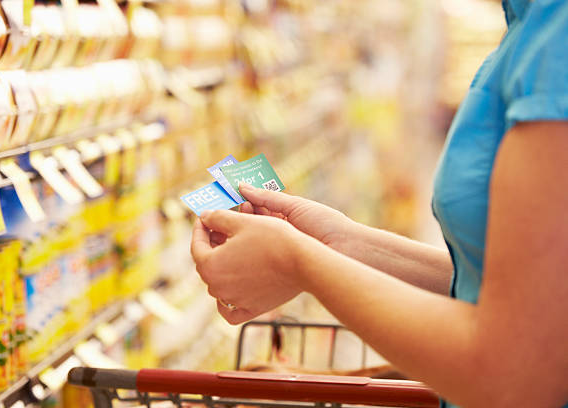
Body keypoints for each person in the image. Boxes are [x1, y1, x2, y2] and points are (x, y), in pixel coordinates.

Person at [190, 0, 568, 406]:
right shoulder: (529, 24)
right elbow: (521, 289)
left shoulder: (555, 35)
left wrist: (299, 262)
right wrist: (344, 246)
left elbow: (517, 376)